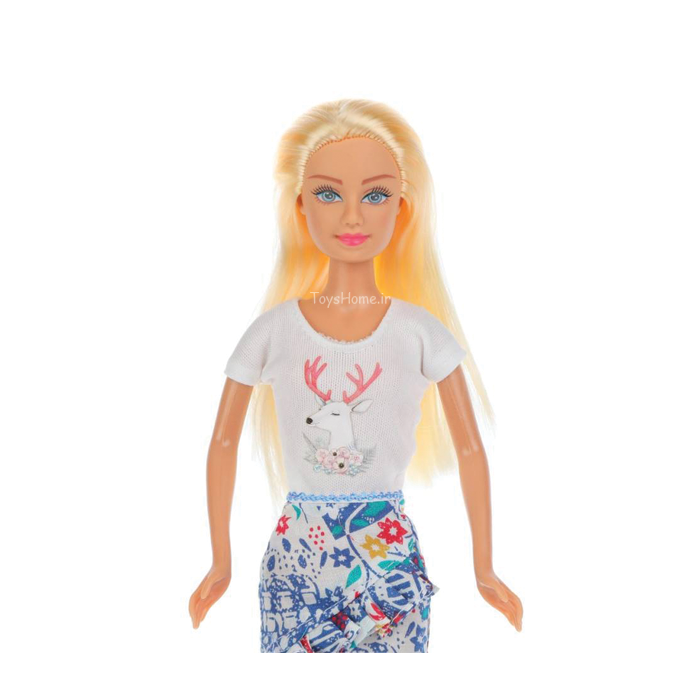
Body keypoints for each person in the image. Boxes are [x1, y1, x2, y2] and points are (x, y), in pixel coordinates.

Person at [189, 98, 523, 652]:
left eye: (374, 195)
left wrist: (484, 567)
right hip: (298, 559)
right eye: (328, 194)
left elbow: (470, 448)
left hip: (386, 558)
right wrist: (220, 560)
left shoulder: (418, 331)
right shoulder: (274, 331)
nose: (351, 216)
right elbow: (222, 440)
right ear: (301, 206)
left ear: (401, 209)